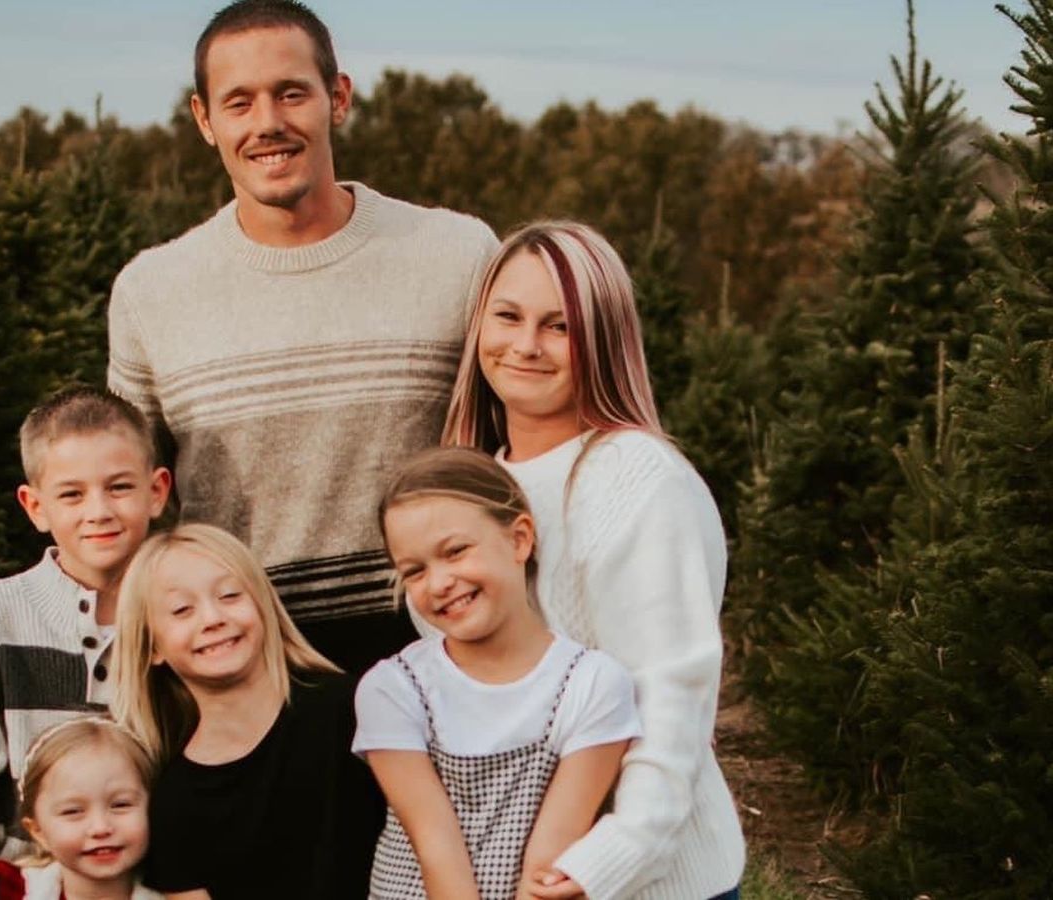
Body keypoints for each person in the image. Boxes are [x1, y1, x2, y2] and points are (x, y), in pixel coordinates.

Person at [106, 0, 499, 675]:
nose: (268, 123)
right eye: (239, 102)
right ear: (204, 119)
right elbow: (131, 503)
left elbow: (522, 451)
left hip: (442, 660)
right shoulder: (151, 292)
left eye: (291, 93)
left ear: (337, 98)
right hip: (242, 673)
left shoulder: (457, 255)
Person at [443, 222, 746, 900]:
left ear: (604, 340)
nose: (526, 345)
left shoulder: (634, 477)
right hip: (514, 870)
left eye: (560, 327)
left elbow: (672, 691)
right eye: (508, 317)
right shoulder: (471, 485)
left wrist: (612, 857)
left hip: (640, 883)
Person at [0, 387, 172, 899]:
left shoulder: (181, 612)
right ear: (35, 507)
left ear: (157, 491)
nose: (98, 511)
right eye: (72, 495)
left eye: (119, 487)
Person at [354, 447, 641, 899]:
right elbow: (435, 846)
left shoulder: (592, 684)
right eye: (415, 571)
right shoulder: (393, 688)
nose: (439, 582)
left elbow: (550, 861)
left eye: (455, 551)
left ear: (519, 539)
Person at [110, 522, 384, 899]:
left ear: (262, 604)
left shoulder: (354, 709)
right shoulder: (174, 799)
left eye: (229, 595)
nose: (212, 619)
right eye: (182, 610)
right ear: (151, 647)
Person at [0, 717, 161, 900]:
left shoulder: (177, 893)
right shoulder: (8, 890)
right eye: (73, 811)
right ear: (38, 831)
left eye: (121, 805)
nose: (100, 828)